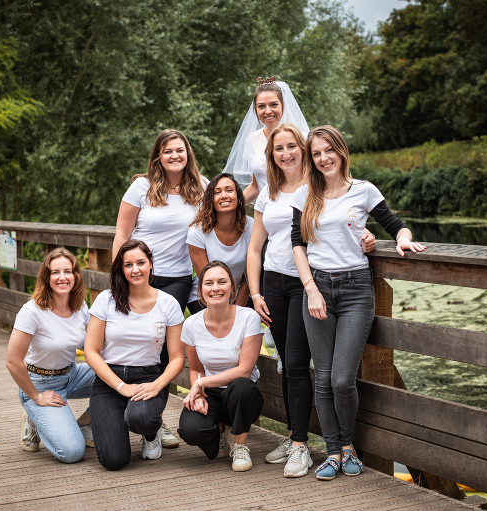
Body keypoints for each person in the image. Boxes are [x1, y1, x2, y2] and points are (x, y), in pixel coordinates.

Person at [290, 125, 426, 480]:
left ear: (341, 151)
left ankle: (349, 447)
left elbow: (396, 225)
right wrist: (311, 289)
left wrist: (401, 241)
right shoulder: (305, 195)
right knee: (322, 377)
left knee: (341, 379)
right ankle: (332, 453)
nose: (323, 159)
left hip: (355, 291)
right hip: (317, 288)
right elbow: (297, 245)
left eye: (328, 151)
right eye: (316, 154)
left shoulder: (363, 190)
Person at [247, 123, 378, 478]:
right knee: (295, 366)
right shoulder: (273, 193)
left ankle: (314, 444)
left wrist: (367, 234)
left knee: (320, 371)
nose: (286, 153)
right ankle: (299, 440)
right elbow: (258, 246)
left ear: (302, 151)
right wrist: (256, 292)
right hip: (283, 282)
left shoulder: (321, 186)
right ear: (271, 156)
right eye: (278, 149)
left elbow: (349, 217)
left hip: (316, 285)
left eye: (293, 147)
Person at [113, 128, 206, 447]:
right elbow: (122, 235)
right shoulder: (141, 187)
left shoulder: (201, 187)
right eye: (168, 151)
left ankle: (151, 422)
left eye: (180, 150)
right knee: (137, 346)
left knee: (166, 352)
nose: (174, 156)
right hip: (141, 276)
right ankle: (130, 416)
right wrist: (118, 278)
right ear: (158, 156)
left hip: (178, 280)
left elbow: (218, 227)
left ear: (187, 153)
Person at [84, 240, 185, 471]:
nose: (135, 269)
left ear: (151, 263)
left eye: (140, 262)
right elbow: (90, 351)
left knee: (140, 418)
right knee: (114, 461)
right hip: (109, 381)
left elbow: (177, 357)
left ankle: (151, 434)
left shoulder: (168, 304)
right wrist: (121, 387)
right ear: (121, 268)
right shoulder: (106, 300)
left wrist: (157, 386)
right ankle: (115, 420)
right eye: (128, 264)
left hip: (148, 377)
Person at [6, 248, 95, 463]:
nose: (62, 277)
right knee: (72, 452)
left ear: (76, 276)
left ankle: (84, 424)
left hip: (72, 375)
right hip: (40, 383)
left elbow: (95, 345)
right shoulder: (32, 311)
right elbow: (12, 362)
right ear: (47, 277)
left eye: (68, 271)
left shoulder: (80, 306)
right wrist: (36, 396)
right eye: (56, 272)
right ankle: (33, 418)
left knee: (121, 372)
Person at [178, 261, 264, 472]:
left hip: (242, 393)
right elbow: (196, 368)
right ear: (201, 291)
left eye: (222, 282)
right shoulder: (191, 324)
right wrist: (198, 394)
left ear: (232, 288)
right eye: (209, 283)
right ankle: (220, 429)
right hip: (211, 393)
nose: (215, 288)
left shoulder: (248, 317)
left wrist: (200, 383)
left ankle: (240, 445)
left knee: (242, 385)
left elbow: (244, 370)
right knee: (191, 430)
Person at [223, 77, 309, 203]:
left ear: (283, 106)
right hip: (268, 211)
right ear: (256, 110)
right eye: (261, 106)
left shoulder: (304, 138)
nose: (268, 111)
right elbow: (256, 186)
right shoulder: (252, 140)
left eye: (273, 104)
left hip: (302, 208)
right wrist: (232, 208)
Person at [185, 173, 253, 314]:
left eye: (229, 190)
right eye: (217, 192)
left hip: (240, 296)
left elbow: (249, 275)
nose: (223, 195)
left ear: (238, 196)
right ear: (211, 199)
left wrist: (237, 311)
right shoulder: (197, 232)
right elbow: (208, 279)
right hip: (205, 296)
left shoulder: (251, 227)